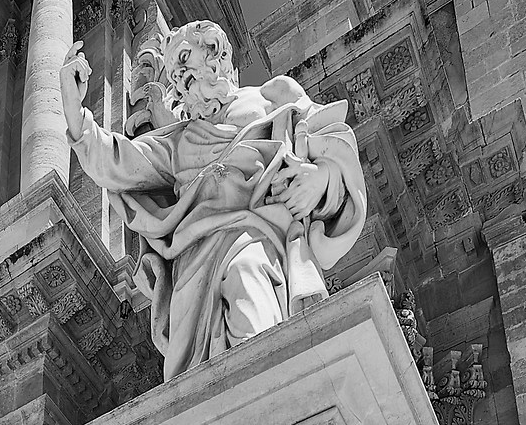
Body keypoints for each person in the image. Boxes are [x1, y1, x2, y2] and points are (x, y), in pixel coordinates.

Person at [59, 20, 365, 381]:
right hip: (193, 258)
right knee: (188, 375)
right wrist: (76, 114)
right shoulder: (178, 140)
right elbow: (117, 161)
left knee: (250, 291)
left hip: (253, 235)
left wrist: (322, 177)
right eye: (175, 74)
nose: (180, 76)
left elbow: (332, 139)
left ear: (214, 50)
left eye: (184, 59)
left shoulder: (271, 97)